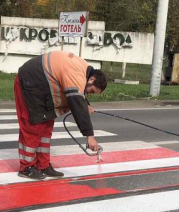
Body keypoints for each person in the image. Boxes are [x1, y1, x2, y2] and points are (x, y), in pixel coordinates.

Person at [14, 51, 108, 179]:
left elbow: (79, 92)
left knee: (46, 129)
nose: (88, 93)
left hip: (42, 87)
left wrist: (85, 102)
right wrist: (89, 136)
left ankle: (43, 165)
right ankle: (26, 167)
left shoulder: (84, 70)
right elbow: (76, 104)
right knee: (33, 127)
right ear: (92, 79)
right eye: (91, 91)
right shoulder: (77, 74)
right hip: (29, 83)